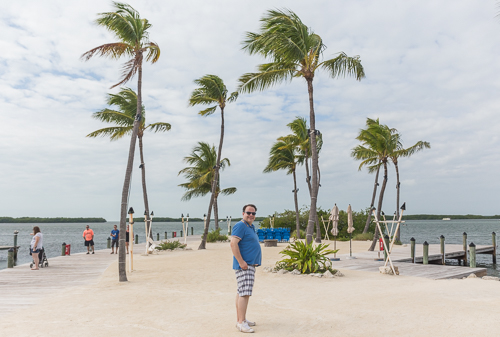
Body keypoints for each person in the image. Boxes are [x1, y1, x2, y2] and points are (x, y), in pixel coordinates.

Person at [230, 204, 262, 333]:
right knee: (245, 293)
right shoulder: (240, 225)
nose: (251, 215)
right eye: (248, 213)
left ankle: (241, 319)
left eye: (253, 213)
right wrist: (241, 262)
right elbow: (233, 243)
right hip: (245, 265)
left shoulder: (250, 226)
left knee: (241, 292)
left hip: (249, 264)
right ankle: (241, 323)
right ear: (243, 213)